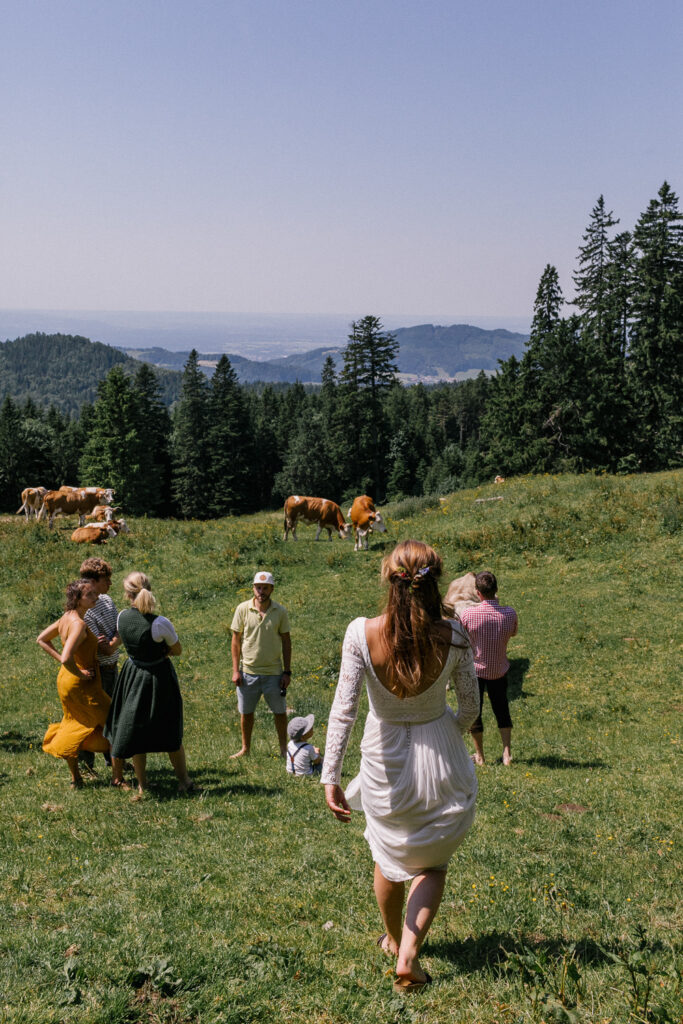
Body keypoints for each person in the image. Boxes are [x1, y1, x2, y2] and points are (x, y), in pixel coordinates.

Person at [322, 540, 480, 992]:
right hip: (441, 753)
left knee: (387, 855)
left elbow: (343, 710)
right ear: (434, 580)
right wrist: (448, 725)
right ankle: (408, 955)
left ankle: (394, 939)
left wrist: (330, 775)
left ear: (389, 579)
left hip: (383, 758)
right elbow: (470, 706)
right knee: (431, 865)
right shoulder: (455, 633)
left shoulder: (360, 632)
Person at [105, 571, 193, 796]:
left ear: (127, 594)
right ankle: (183, 781)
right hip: (157, 677)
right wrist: (163, 653)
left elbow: (124, 639)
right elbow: (178, 650)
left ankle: (143, 785)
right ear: (150, 590)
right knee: (170, 728)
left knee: (136, 729)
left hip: (132, 675)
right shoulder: (160, 623)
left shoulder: (122, 617)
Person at [37, 579, 118, 789]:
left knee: (72, 724)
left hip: (66, 680)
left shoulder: (67, 618)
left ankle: (77, 779)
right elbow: (66, 657)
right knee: (115, 723)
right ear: (77, 599)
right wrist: (81, 673)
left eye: (94, 593)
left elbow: (42, 639)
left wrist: (71, 668)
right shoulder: (78, 624)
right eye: (89, 595)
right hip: (82, 683)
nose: (96, 597)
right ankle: (118, 778)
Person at [230, 571, 292, 759]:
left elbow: (287, 641)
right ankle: (245, 748)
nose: (261, 591)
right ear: (253, 588)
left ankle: (283, 749)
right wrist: (235, 671)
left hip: (274, 672)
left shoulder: (280, 611)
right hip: (248, 671)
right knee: (246, 712)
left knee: (280, 712)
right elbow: (235, 641)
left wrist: (287, 672)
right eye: (258, 587)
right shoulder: (242, 609)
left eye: (265, 588)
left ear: (272, 589)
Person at [460, 570, 518, 767]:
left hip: (476, 670)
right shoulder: (509, 614)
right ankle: (507, 754)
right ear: (496, 590)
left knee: (476, 712)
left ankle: (481, 756)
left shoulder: (468, 614)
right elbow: (514, 633)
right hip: (499, 669)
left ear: (478, 593)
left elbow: (463, 638)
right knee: (502, 709)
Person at [79, 557, 121, 772]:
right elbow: (104, 648)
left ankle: (111, 759)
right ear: (93, 581)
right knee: (92, 717)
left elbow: (117, 629)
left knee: (112, 715)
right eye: (106, 579)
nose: (110, 583)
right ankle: (86, 766)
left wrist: (113, 640)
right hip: (96, 672)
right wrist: (115, 640)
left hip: (113, 669)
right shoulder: (85, 609)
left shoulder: (107, 600)